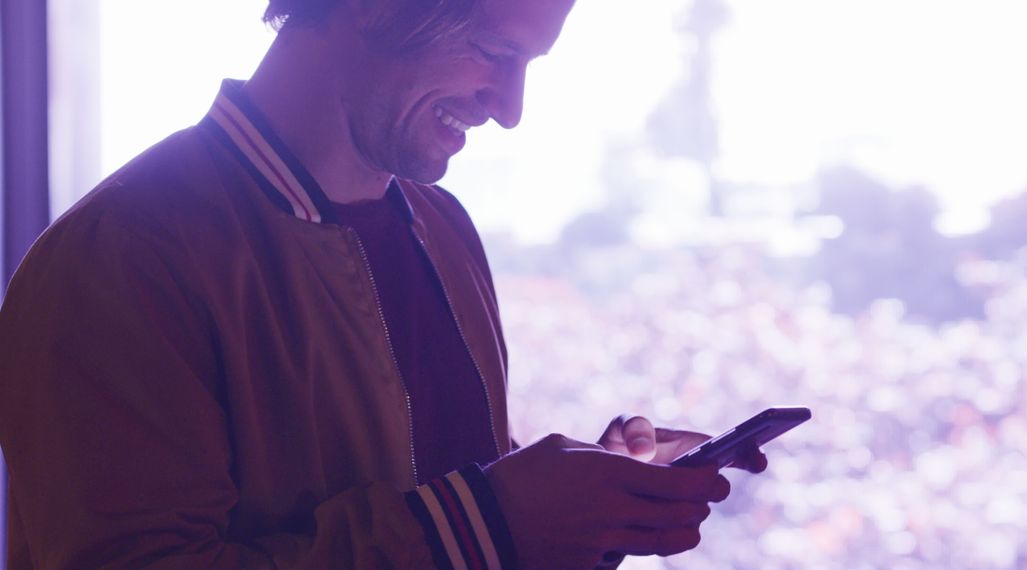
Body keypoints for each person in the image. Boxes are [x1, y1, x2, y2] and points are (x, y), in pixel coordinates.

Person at [0, 0, 766, 567]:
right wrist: (489, 523)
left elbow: (431, 481)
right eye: (494, 50)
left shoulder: (440, 225)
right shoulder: (119, 258)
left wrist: (585, 499)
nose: (511, 109)